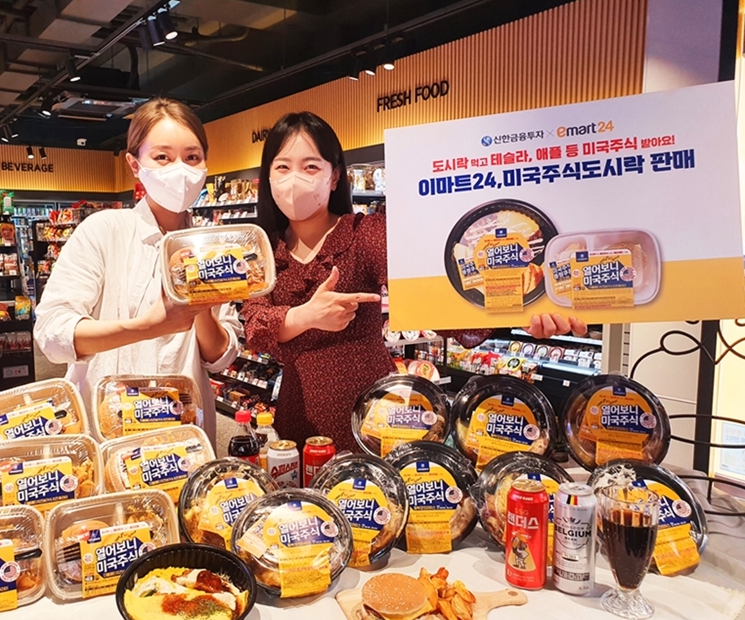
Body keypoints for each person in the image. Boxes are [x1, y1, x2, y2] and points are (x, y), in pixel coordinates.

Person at [242, 111, 585, 453]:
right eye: (282, 167)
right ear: (268, 176)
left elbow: (431, 294)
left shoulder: (365, 234)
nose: (294, 180)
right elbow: (254, 325)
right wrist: (306, 315)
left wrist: (520, 312)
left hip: (372, 408)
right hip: (297, 409)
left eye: (310, 167)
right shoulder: (264, 250)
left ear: (334, 177)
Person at [34, 98, 241, 447]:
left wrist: (201, 304)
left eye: (192, 157)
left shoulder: (212, 248)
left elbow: (221, 357)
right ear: (134, 164)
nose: (180, 169)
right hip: (106, 433)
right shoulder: (103, 231)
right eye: (163, 157)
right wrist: (148, 327)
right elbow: (53, 334)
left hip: (184, 437)